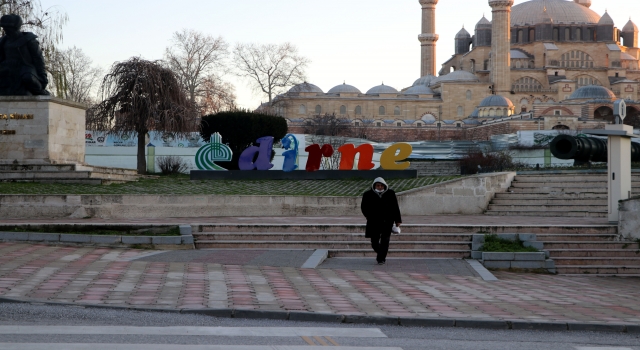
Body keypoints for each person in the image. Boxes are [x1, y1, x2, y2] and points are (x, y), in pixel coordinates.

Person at [0, 14, 50, 96]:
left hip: (24, 67)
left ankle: (39, 90)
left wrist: (42, 76)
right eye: (4, 28)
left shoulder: (29, 40)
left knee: (28, 78)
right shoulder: (3, 41)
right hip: (7, 67)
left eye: (8, 28)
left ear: (15, 28)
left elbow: (38, 59)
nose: (6, 30)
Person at [361, 177, 402, 265]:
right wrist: (369, 216)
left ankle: (381, 258)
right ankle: (381, 253)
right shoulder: (368, 194)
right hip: (373, 222)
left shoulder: (390, 193)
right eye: (378, 185)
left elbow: (395, 207)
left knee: (385, 240)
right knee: (374, 242)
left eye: (381, 185)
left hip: (387, 221)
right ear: (374, 185)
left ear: (384, 185)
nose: (380, 187)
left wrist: (397, 220)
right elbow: (364, 207)